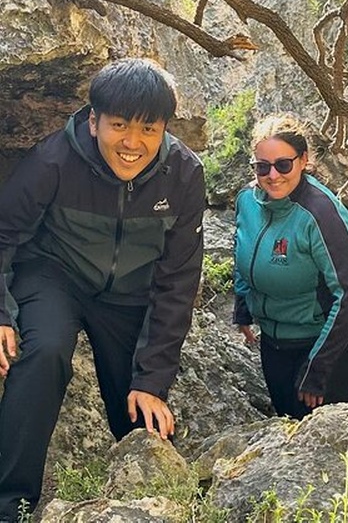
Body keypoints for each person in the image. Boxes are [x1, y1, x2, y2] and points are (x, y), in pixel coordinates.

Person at [0, 57, 205, 521]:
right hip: (56, 274)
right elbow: (4, 233)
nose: (132, 143)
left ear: (165, 129)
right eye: (119, 125)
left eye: (148, 129)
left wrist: (152, 380)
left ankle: (157, 500)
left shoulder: (184, 174)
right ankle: (10, 504)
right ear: (94, 122)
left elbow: (177, 281)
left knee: (142, 408)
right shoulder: (53, 160)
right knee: (45, 351)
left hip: (131, 294)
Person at [233, 113, 348, 420]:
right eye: (262, 167)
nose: (273, 175)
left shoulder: (320, 213)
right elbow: (241, 249)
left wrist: (318, 368)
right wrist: (243, 306)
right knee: (284, 420)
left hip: (323, 340)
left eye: (283, 165)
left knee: (314, 428)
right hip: (274, 339)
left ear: (304, 160)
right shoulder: (246, 200)